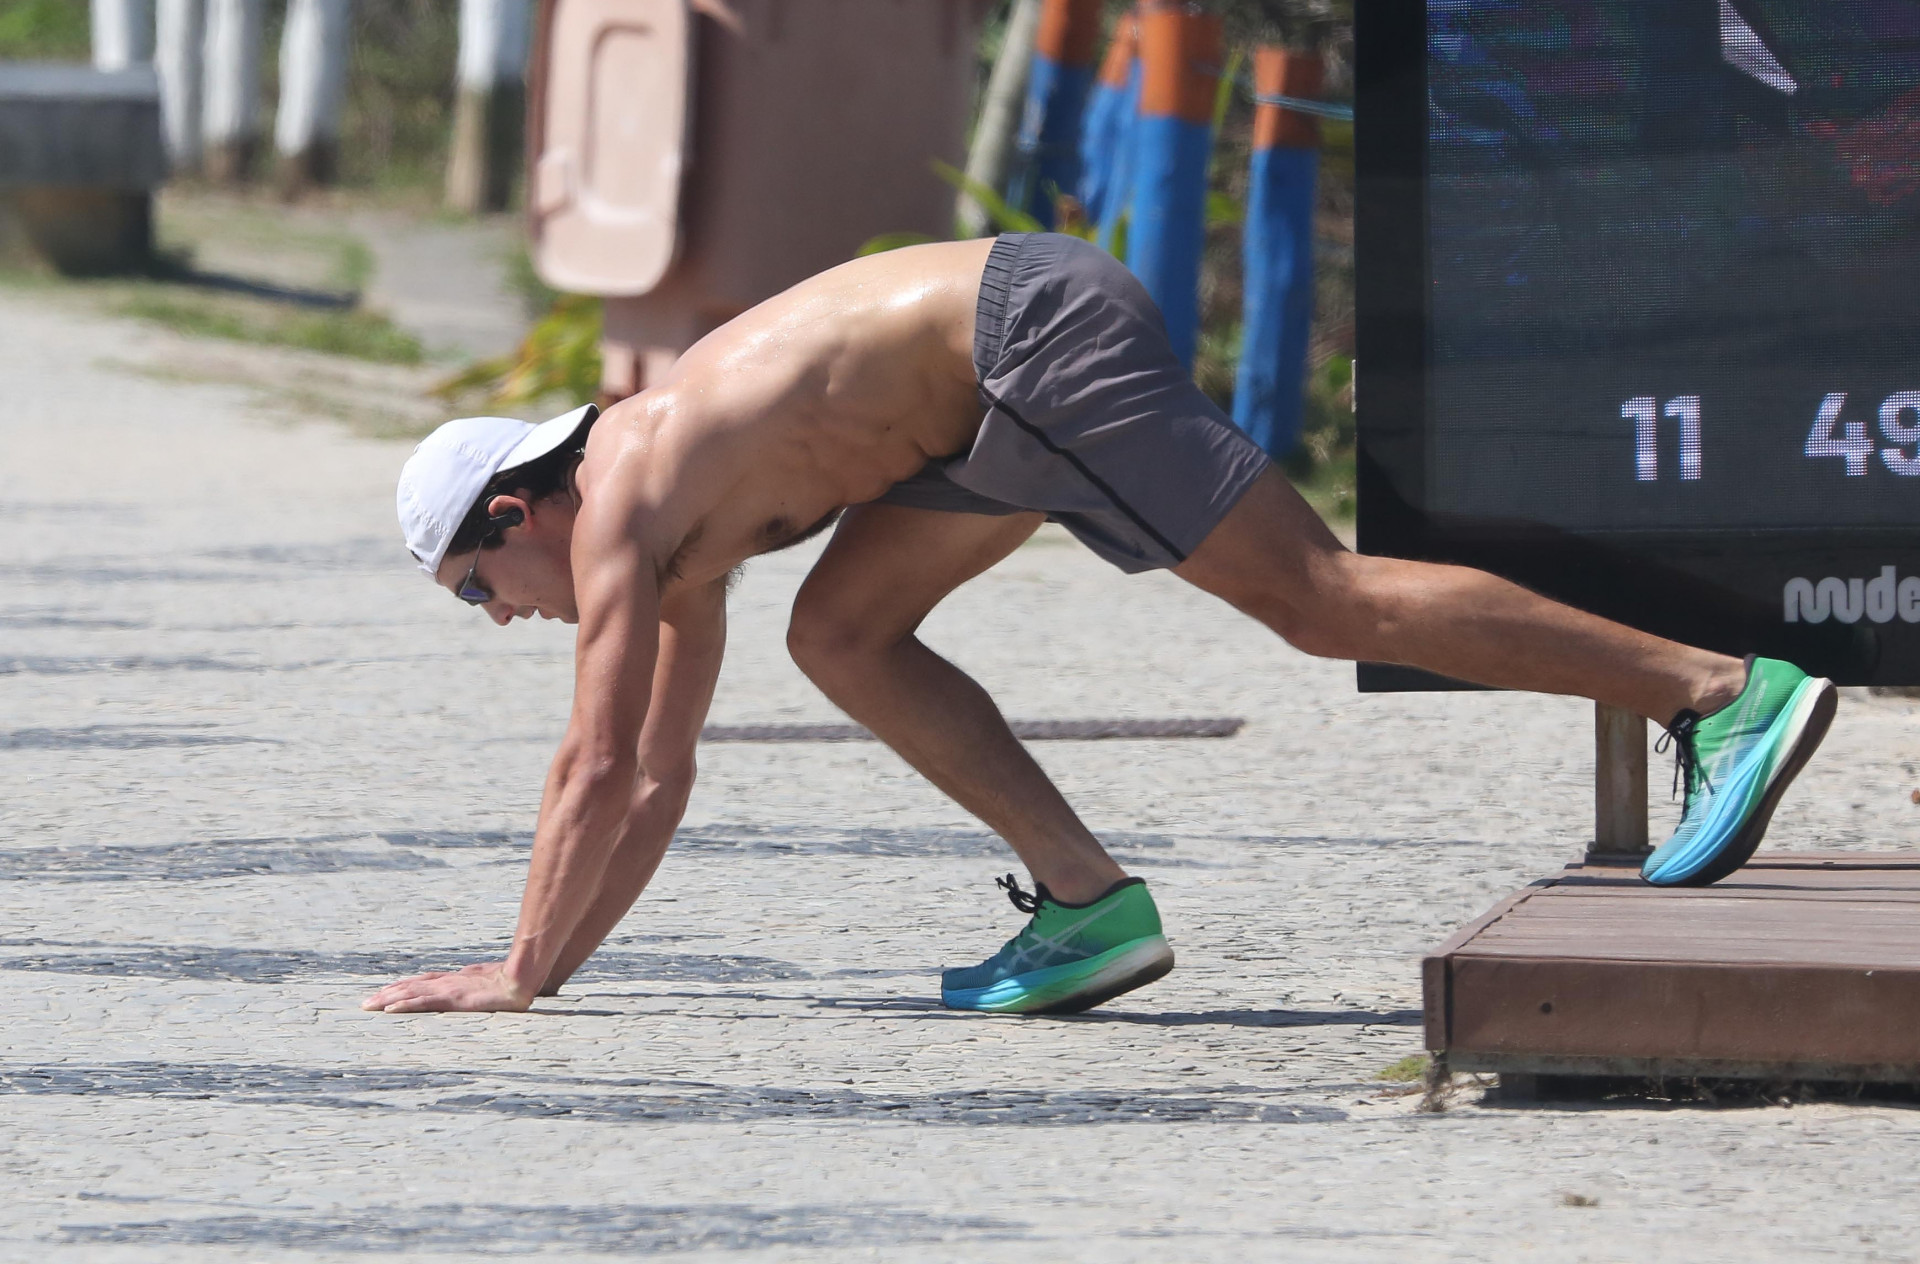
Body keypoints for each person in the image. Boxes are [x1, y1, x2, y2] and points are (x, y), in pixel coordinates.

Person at [366, 233, 1837, 1016]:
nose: (500, 619)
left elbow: (593, 765)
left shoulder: (623, 500)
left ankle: (1714, 692)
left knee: (1318, 603)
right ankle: (1090, 904)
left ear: (514, 510)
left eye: (477, 593)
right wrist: (550, 972)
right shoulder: (668, 540)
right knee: (842, 636)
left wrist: (512, 975)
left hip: (1025, 341)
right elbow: (661, 779)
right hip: (976, 408)